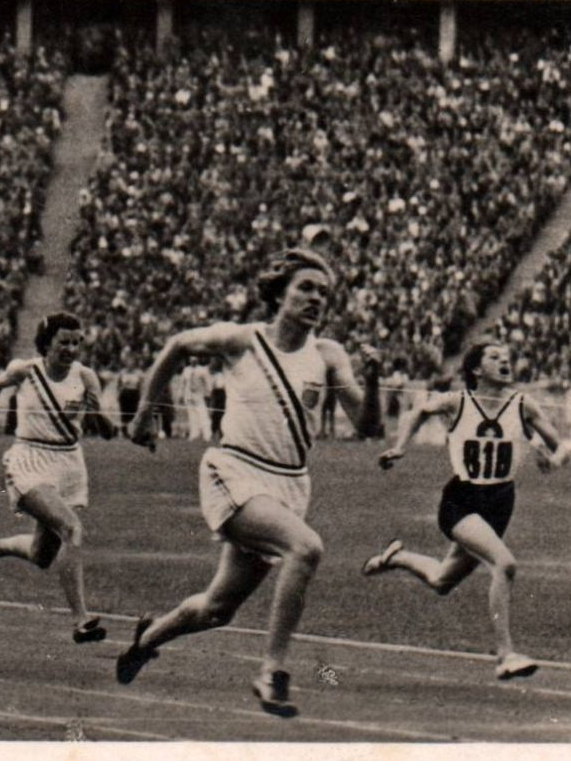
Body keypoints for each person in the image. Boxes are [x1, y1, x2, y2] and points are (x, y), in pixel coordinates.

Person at [115, 248, 377, 718]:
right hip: (233, 471)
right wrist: (144, 415)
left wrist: (373, 381)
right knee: (306, 548)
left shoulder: (328, 354)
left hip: (289, 486)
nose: (317, 298)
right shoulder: (243, 340)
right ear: (280, 292)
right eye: (306, 288)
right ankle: (272, 671)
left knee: (218, 608)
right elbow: (176, 346)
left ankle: (148, 637)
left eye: (324, 292)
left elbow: (368, 425)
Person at [361, 340, 568, 681]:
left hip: (501, 503)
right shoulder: (458, 402)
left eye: (507, 356)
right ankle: (505, 655)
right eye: (495, 357)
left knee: (442, 580)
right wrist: (399, 447)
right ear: (476, 369)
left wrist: (553, 459)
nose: (505, 360)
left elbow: (561, 448)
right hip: (463, 500)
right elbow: (417, 411)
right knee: (505, 563)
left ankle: (394, 558)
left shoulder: (523, 404)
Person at [0, 312, 116, 644]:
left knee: (42, 554)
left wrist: (97, 413)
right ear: (47, 343)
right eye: (64, 342)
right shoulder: (25, 371)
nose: (71, 349)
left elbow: (107, 432)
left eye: (76, 342)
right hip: (29, 458)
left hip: (69, 464)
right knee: (71, 528)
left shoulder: (86, 377)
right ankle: (81, 621)